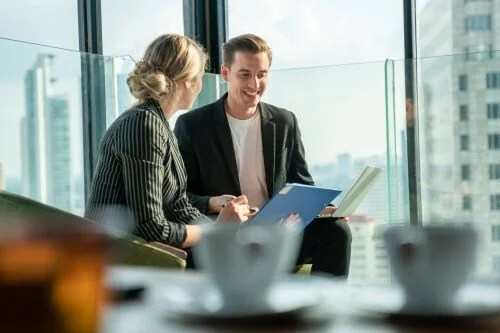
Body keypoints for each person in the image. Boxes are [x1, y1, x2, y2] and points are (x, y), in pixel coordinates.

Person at [174, 34, 352, 276]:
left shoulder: (284, 121)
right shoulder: (193, 125)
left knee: (337, 230)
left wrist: (322, 208)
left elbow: (302, 183)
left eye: (262, 74)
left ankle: (324, 307)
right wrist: (216, 203)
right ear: (226, 74)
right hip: (226, 235)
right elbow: (180, 198)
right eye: (245, 74)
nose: (255, 84)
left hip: (279, 233)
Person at [85, 34, 250, 249]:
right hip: (116, 262)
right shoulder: (144, 124)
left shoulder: (156, 123)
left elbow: (175, 203)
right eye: (199, 76)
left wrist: (214, 208)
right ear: (187, 82)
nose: (201, 85)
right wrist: (217, 230)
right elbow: (151, 228)